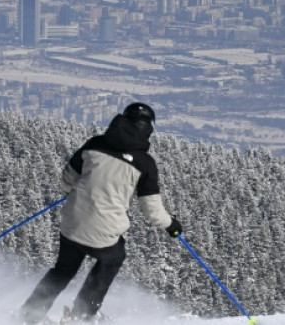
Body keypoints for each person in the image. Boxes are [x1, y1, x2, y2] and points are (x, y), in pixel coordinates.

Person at [19, 102, 183, 324]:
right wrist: (171, 225)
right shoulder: (145, 163)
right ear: (148, 129)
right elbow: (152, 211)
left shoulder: (95, 143)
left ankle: (28, 315)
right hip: (104, 231)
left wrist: (76, 192)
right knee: (112, 259)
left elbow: (67, 180)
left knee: (63, 270)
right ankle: (82, 315)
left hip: (72, 222)